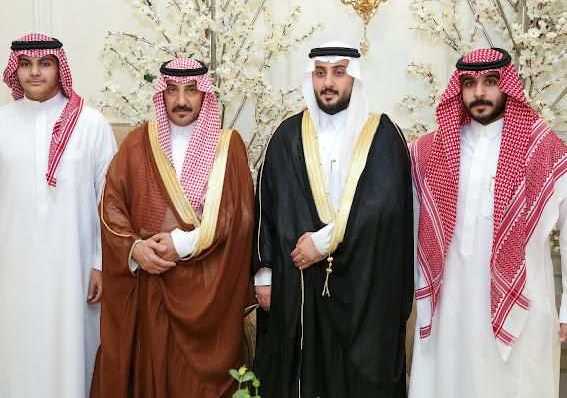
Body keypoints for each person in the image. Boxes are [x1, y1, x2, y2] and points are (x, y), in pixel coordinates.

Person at [252, 41, 414, 397]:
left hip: (365, 285)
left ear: (354, 77)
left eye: (339, 73)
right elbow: (267, 203)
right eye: (320, 73)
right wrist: (264, 275)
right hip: (299, 287)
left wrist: (323, 242)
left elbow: (386, 209)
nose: (328, 83)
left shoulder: (382, 135)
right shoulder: (286, 136)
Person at [91, 57, 254, 398]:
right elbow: (111, 204)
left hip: (208, 289)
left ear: (204, 94)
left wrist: (182, 244)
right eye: (173, 90)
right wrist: (135, 249)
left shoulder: (228, 146)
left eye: (191, 90)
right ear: (161, 94)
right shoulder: (138, 143)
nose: (181, 100)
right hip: (152, 284)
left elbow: (237, 217)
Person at [408, 47, 567, 398]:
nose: (479, 92)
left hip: (522, 303)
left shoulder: (543, 150)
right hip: (449, 305)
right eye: (469, 83)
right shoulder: (430, 151)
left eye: (490, 81)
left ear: (506, 85)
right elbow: (410, 228)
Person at [0, 33, 117, 397]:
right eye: (26, 64)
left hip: (74, 269)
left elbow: (110, 202)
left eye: (44, 64)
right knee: (16, 351)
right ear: (15, 70)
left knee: (73, 354)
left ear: (59, 68)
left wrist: (100, 264)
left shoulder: (92, 124)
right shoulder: (2, 122)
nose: (35, 72)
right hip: (12, 269)